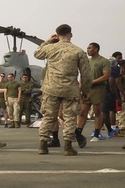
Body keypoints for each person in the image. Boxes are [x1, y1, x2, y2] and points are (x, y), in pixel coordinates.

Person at [33, 24, 92, 156]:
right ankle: (68, 146)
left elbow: (37, 53)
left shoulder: (50, 48)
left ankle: (43, 145)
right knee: (70, 117)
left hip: (51, 88)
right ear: (70, 34)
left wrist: (48, 40)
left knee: (48, 116)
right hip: (70, 89)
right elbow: (86, 74)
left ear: (57, 35)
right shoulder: (78, 51)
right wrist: (86, 91)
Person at [77, 42, 111, 144]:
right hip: (87, 89)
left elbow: (106, 76)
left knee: (97, 111)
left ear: (96, 49)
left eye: (90, 48)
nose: (88, 50)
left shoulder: (104, 61)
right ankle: (78, 133)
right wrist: (80, 87)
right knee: (83, 112)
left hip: (98, 88)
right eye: (87, 48)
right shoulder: (87, 61)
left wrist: (92, 82)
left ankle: (96, 134)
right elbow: (82, 76)